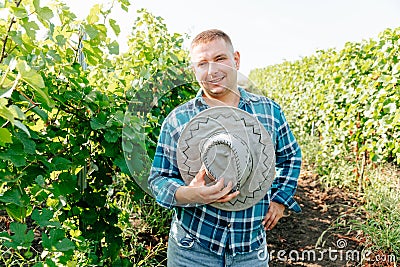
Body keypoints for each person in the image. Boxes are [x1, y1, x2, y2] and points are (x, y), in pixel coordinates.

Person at [148, 29, 302, 267]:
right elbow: (158, 179)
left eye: (220, 59)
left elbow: (290, 156)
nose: (212, 71)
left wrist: (281, 200)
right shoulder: (178, 119)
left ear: (236, 60)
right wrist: (189, 194)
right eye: (202, 63)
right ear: (194, 70)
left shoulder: (269, 112)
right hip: (192, 249)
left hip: (250, 250)